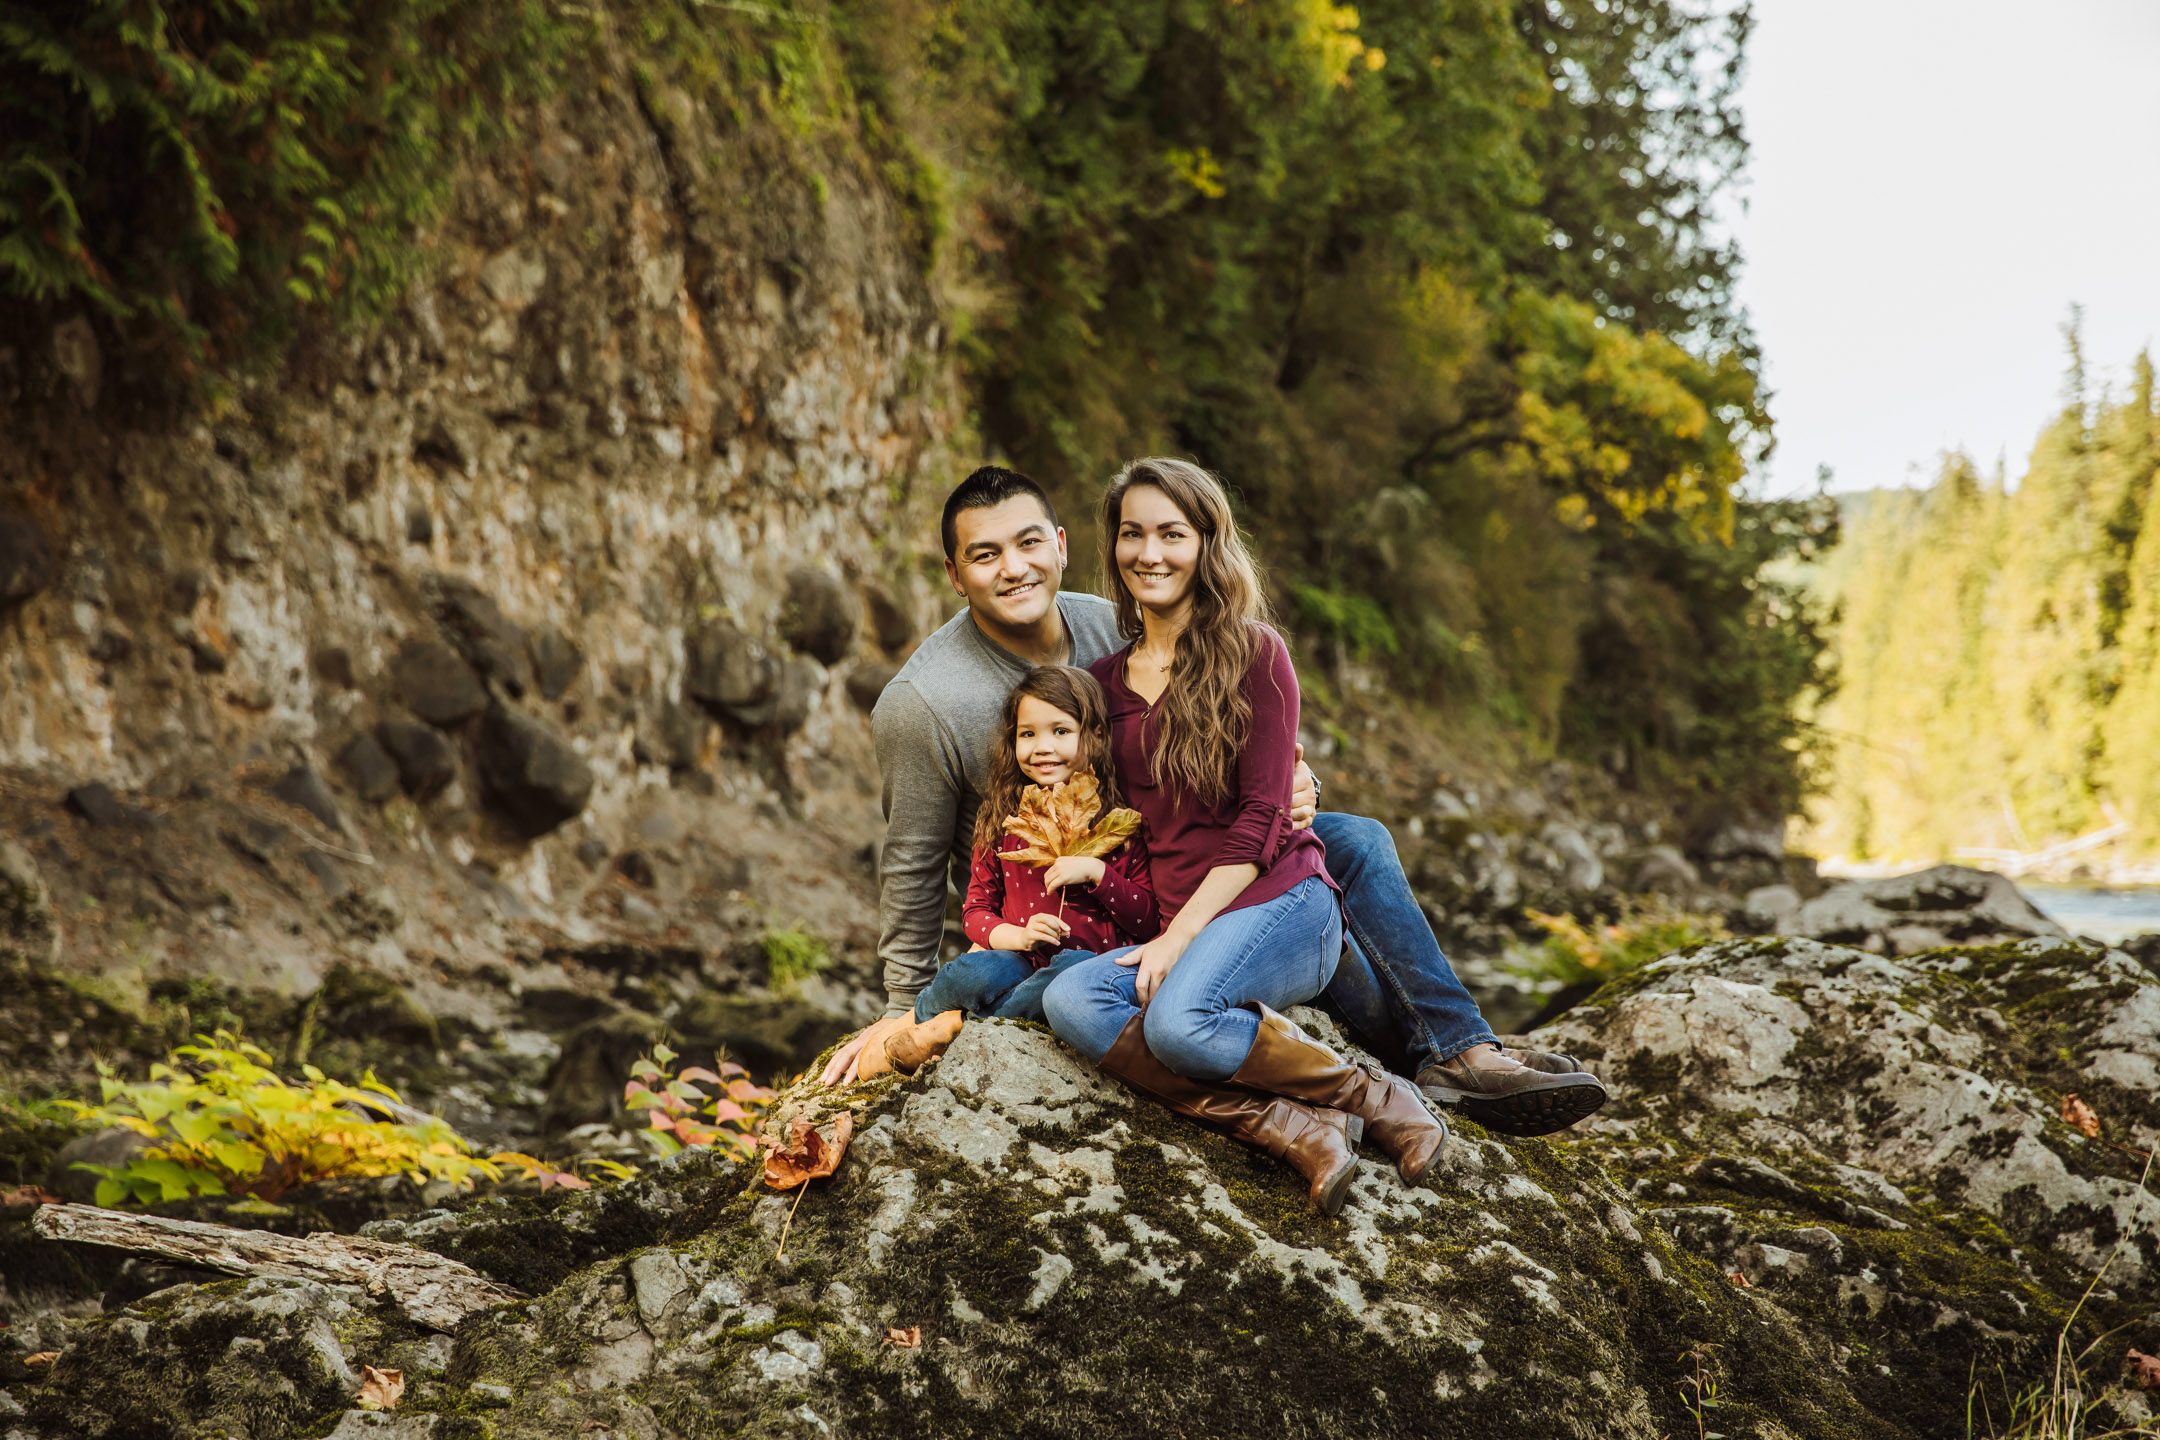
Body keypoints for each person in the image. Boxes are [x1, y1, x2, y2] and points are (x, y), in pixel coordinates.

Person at [821, 464, 1604, 1138]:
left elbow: (1208, 742)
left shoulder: (1106, 621)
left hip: (1164, 853)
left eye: (1029, 544)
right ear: (955, 575)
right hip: (1066, 909)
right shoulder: (923, 703)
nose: (1015, 568)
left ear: (1061, 547)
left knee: (1352, 840)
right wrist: (904, 1012)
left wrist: (1290, 788)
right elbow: (914, 866)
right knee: (1287, 892)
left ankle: (1458, 1051)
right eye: (985, 555)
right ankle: (1398, 1066)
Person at [1037, 458, 1448, 1215]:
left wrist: (1176, 937)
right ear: (1113, 546)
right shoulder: (1098, 681)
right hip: (1180, 920)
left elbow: (1265, 821)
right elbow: (1092, 809)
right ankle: (1294, 1126)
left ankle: (1379, 1094)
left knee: (1179, 1026)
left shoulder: (1255, 653)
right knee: (1070, 1001)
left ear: (1206, 544)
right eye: (1132, 534)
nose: (1149, 553)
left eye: (1172, 534)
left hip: (1282, 900)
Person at [912, 664, 1156, 1023]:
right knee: (971, 972)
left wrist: (1098, 874)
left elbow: (1148, 920)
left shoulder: (1116, 825)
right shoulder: (1005, 819)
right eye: (1027, 734)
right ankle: (930, 1011)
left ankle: (974, 1025)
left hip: (1084, 970)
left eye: (1060, 731)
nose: (1042, 748)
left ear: (1097, 736)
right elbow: (975, 911)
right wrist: (1019, 935)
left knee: (1071, 972)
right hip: (1019, 963)